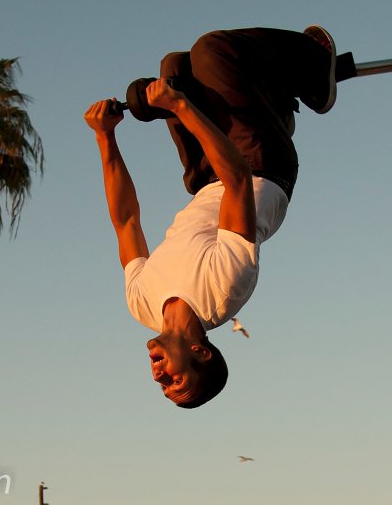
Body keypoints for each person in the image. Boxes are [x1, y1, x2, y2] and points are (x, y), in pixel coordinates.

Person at [83, 26, 338, 408]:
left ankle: (275, 103)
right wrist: (181, 107)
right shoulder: (223, 291)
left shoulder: (142, 303)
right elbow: (237, 181)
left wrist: (105, 137)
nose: (159, 376)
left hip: (204, 178)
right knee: (212, 50)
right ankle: (316, 69)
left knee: (176, 67)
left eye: (161, 385)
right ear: (201, 353)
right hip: (258, 166)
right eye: (176, 380)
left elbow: (126, 221)